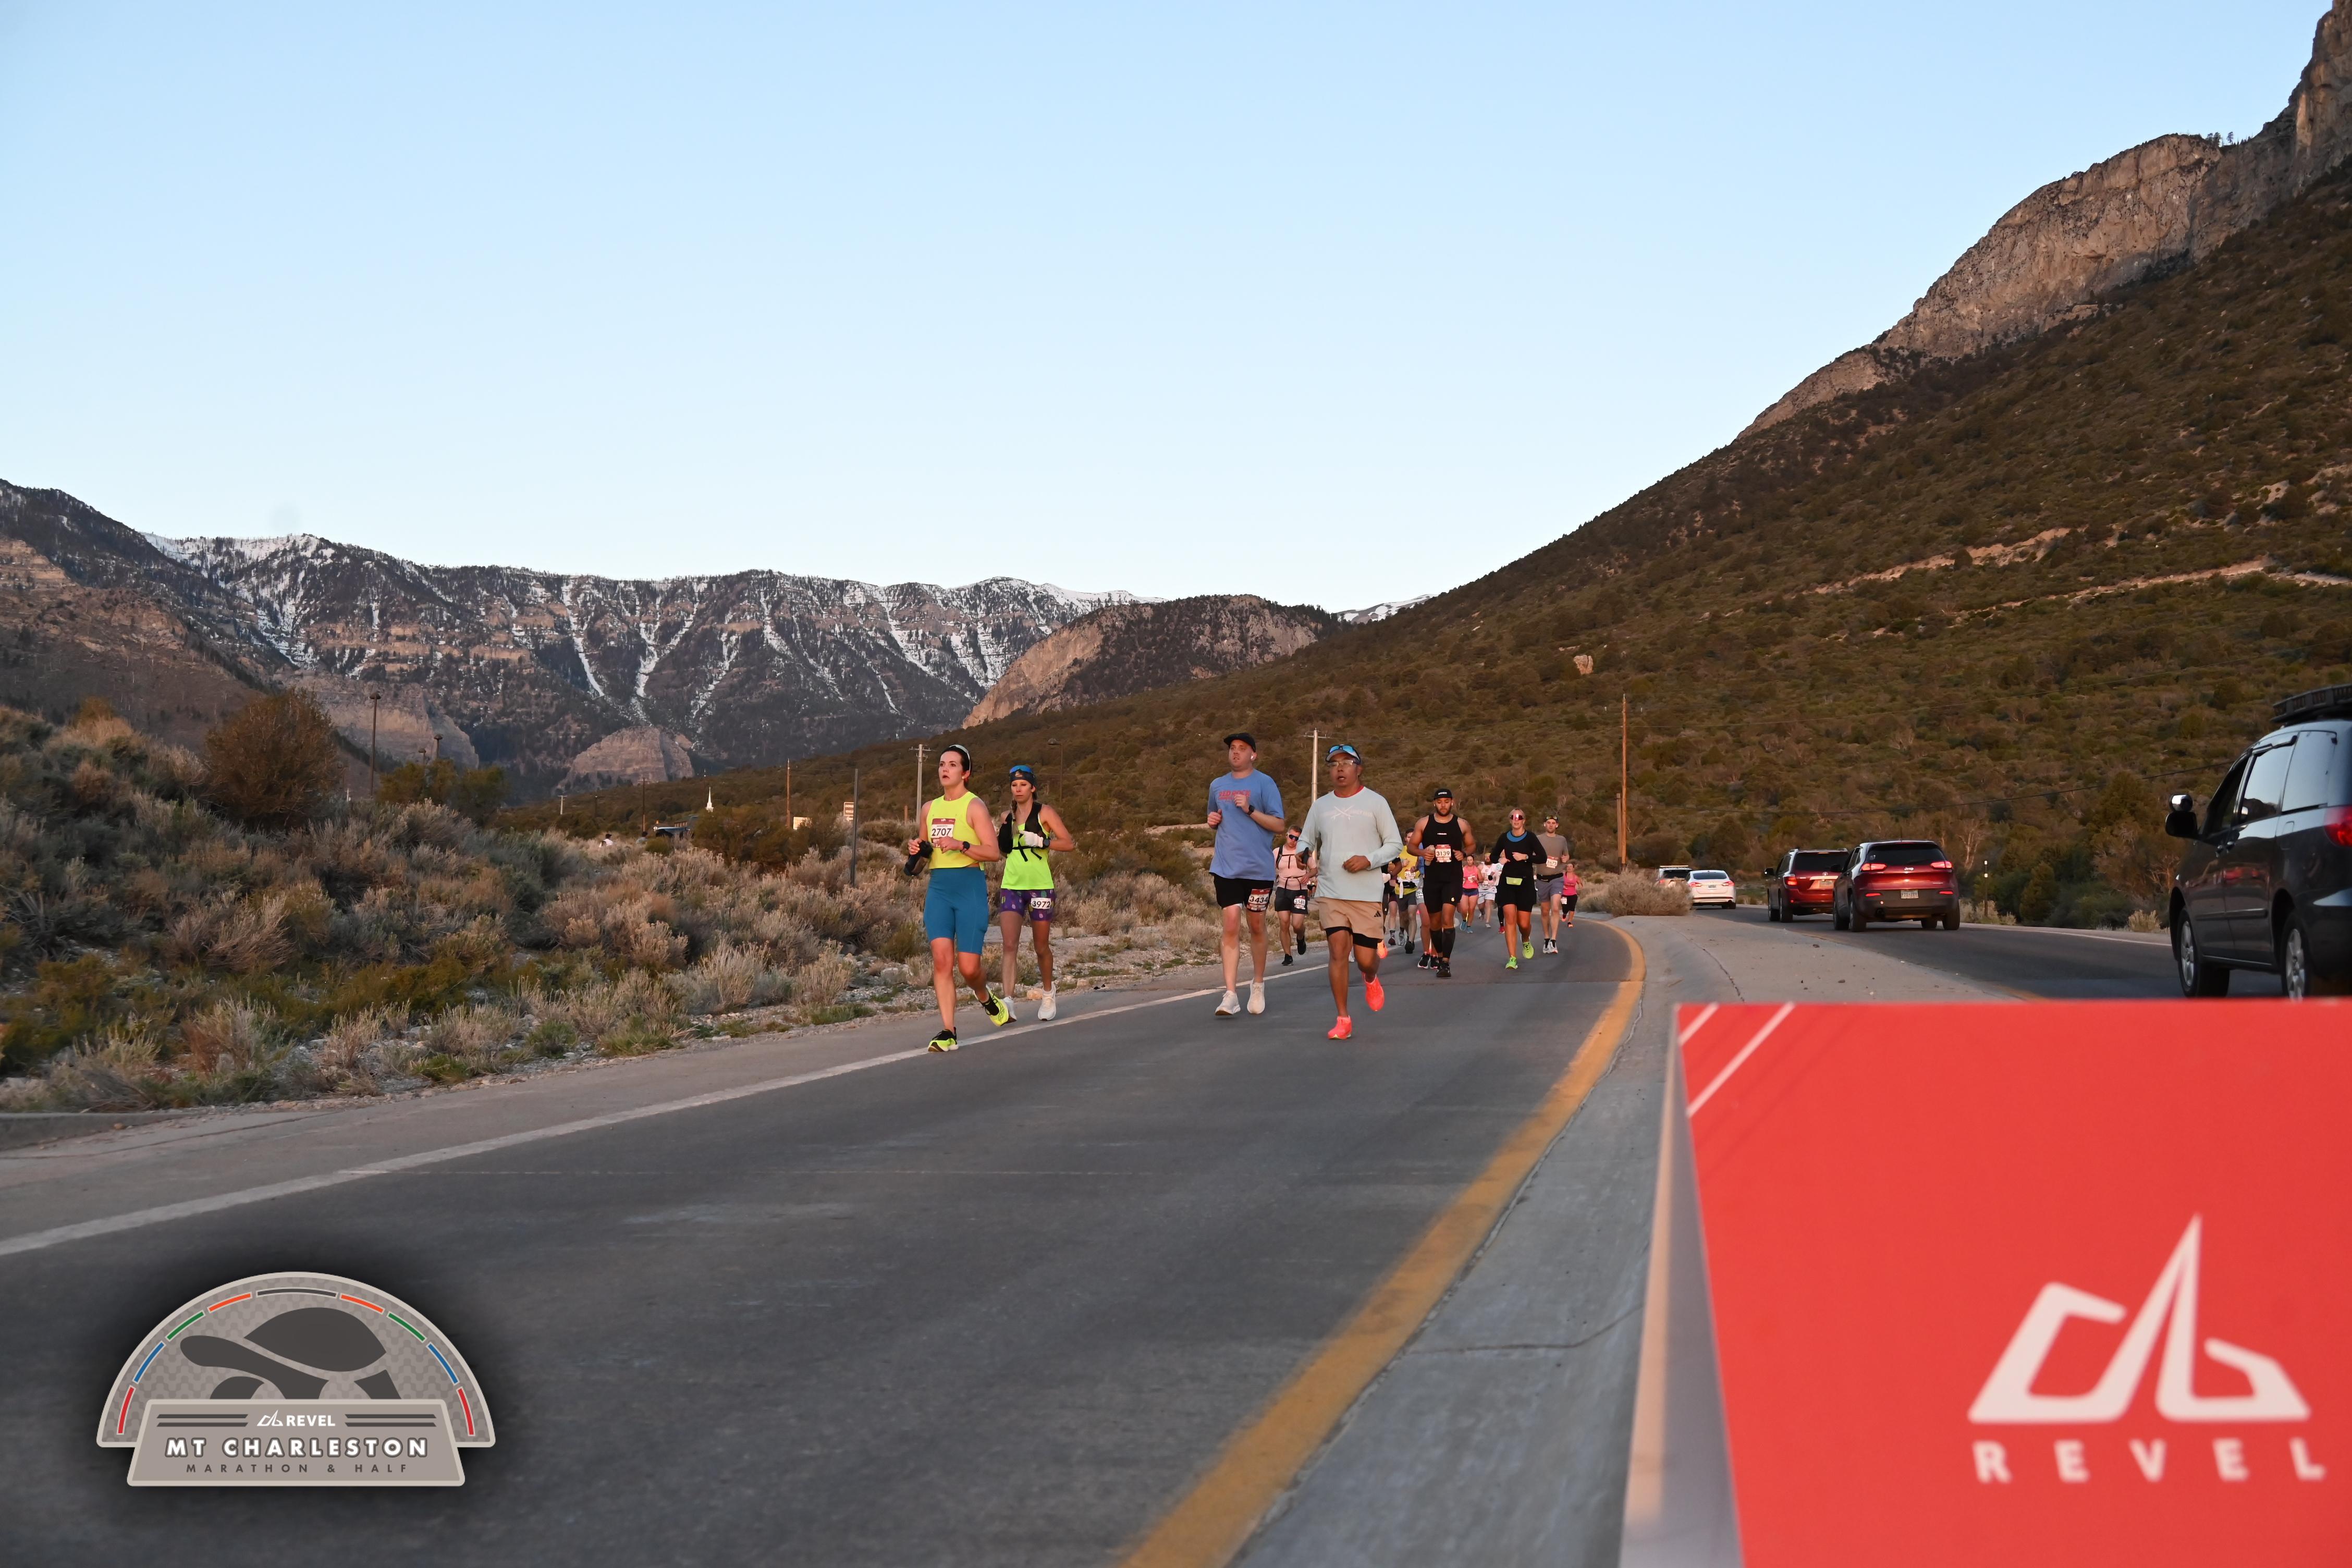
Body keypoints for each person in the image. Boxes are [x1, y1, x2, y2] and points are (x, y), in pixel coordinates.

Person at [903, 744, 1012, 1051]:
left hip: (969, 888)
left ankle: (985, 997)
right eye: (942, 764)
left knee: (969, 968)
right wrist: (917, 851)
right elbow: (925, 854)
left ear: (966, 773)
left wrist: (961, 844)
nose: (945, 769)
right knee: (942, 960)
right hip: (939, 889)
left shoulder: (974, 806)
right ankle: (948, 1031)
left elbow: (993, 853)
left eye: (952, 764)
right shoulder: (929, 808)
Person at [1296, 744, 1404, 1039]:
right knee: (1338, 951)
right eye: (1333, 764)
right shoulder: (1320, 806)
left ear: (1359, 769)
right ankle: (1343, 1018)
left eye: (1346, 763)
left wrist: (1368, 859)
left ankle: (1370, 977)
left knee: (1366, 959)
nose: (1340, 768)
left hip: (1366, 894)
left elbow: (1394, 844)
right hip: (1331, 890)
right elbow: (1306, 840)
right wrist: (1303, 853)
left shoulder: (1376, 803)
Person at [1206, 732, 1286, 1016]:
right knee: (1230, 924)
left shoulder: (1265, 783)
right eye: (1232, 748)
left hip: (1258, 871)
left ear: (1254, 755)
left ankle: (1258, 984)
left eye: (1242, 748)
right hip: (1226, 868)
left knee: (1256, 926)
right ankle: (1230, 994)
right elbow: (1214, 817)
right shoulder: (1217, 785)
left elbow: (1279, 825)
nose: (1236, 752)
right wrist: (1212, 821)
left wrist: (1250, 809)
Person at [996, 764, 1074, 1020]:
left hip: (1040, 886)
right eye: (1014, 785)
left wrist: (1042, 841)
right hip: (1012, 885)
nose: (1018, 789)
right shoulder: (1007, 816)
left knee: (1041, 946)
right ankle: (1008, 1001)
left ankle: (1048, 993)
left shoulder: (1045, 813)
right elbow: (1002, 850)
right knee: (1009, 945)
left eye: (1023, 785)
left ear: (1033, 788)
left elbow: (1069, 843)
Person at [1407, 788, 1475, 977]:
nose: (1443, 805)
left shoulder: (1461, 824)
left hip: (1452, 878)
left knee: (1447, 919)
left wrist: (1464, 853)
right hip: (1432, 880)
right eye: (1439, 802)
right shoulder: (1424, 823)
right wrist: (1422, 853)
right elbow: (1411, 846)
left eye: (1446, 801)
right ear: (1434, 803)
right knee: (1435, 923)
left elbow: (1471, 844)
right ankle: (1439, 955)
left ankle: (1445, 962)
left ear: (1452, 802)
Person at [1489, 809, 1543, 969]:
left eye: (1520, 817)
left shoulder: (1531, 837)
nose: (1516, 819)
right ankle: (1512, 958)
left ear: (1524, 820)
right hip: (1507, 883)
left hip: (1525, 883)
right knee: (1510, 918)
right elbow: (1492, 856)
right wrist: (1499, 859)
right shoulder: (1504, 837)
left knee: (1524, 924)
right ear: (1510, 820)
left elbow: (1543, 857)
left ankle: (1525, 940)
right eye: (1513, 817)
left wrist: (1525, 857)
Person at [1273, 828, 1315, 964]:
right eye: (1292, 837)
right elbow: (1269, 868)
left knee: (1297, 925)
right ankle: (1288, 955)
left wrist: (1308, 875)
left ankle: (1301, 937)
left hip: (1300, 891)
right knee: (1284, 923)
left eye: (1297, 839)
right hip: (1283, 889)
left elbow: (1315, 869)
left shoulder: (1304, 853)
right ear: (1287, 835)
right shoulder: (1278, 852)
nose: (1294, 840)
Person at [1536, 815, 1573, 953]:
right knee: (1545, 911)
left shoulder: (1562, 840)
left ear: (1557, 825)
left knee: (1556, 908)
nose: (1551, 825)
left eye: (1553, 823)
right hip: (1542, 879)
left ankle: (1554, 941)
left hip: (1557, 878)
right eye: (1549, 823)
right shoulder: (1538, 839)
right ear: (1545, 824)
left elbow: (1566, 855)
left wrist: (1566, 858)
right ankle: (1546, 939)